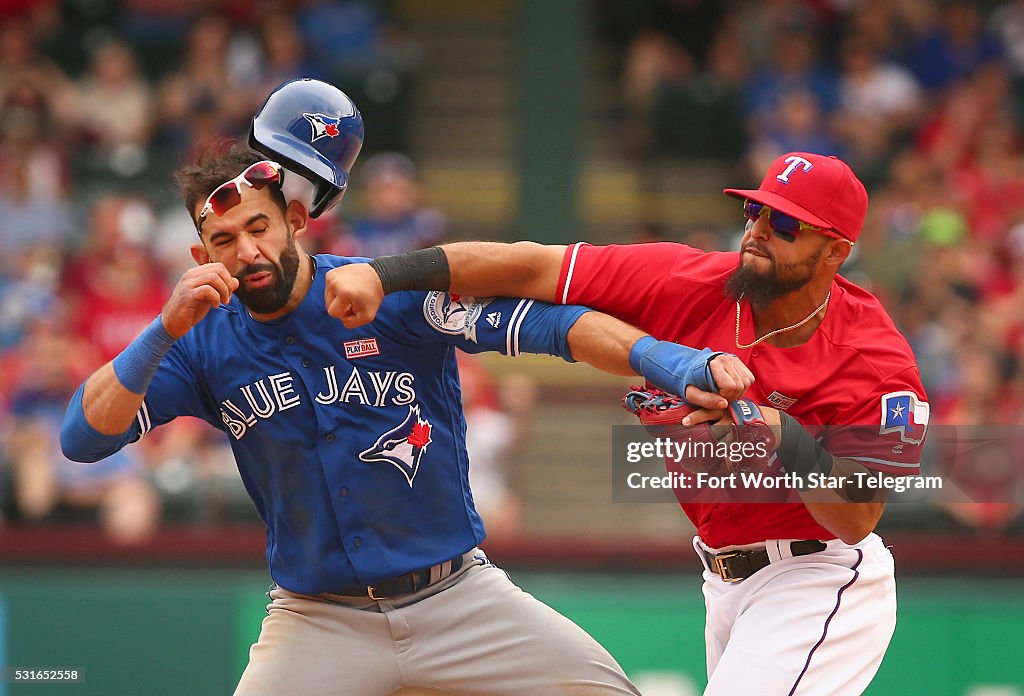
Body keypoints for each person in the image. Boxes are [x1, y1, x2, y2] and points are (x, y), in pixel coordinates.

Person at [60, 78, 755, 695]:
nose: (245, 251)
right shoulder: (199, 343)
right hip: (316, 618)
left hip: (458, 598)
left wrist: (676, 365)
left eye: (259, 227)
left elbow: (556, 328)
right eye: (222, 240)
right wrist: (162, 328)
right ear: (199, 255)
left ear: (296, 222)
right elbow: (83, 438)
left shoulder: (381, 291)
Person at [325, 151, 930, 694]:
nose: (759, 233)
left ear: (836, 250)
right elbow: (533, 267)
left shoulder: (875, 359)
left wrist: (771, 429)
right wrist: (387, 273)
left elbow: (856, 518)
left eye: (786, 225)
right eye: (755, 213)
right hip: (723, 579)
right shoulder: (690, 281)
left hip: (818, 575)